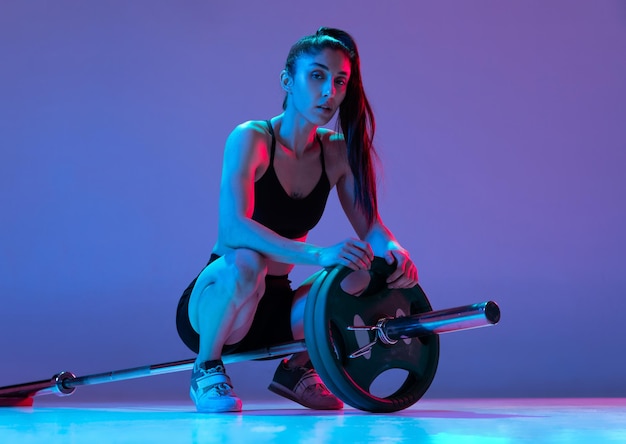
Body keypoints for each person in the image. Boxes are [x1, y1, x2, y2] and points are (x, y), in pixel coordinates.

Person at [175, 27, 418, 413]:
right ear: (288, 80)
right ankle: (206, 366)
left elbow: (371, 227)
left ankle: (296, 369)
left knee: (363, 269)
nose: (329, 92)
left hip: (278, 310)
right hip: (221, 301)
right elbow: (233, 229)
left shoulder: (336, 152)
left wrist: (393, 249)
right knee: (247, 261)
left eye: (340, 81)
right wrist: (319, 254)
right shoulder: (252, 138)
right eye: (317, 75)